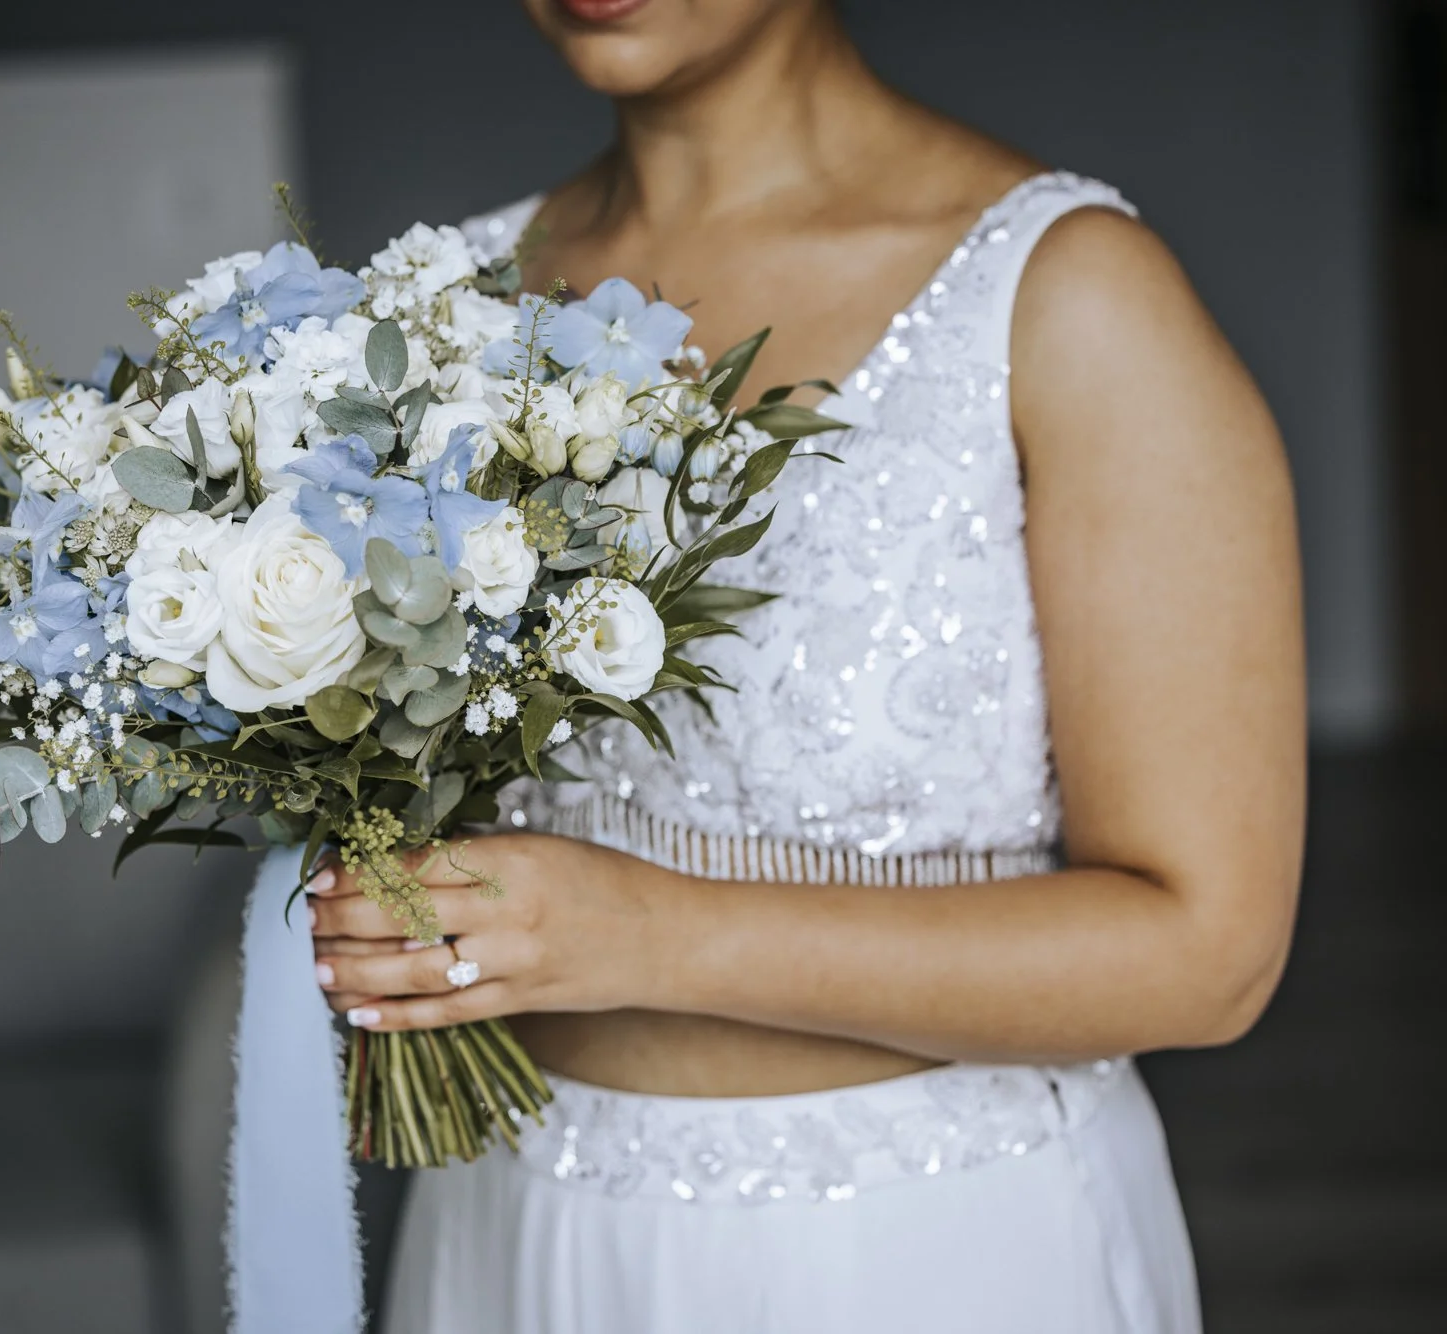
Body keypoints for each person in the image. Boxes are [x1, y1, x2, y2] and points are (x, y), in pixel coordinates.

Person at [306, 0, 1305, 1328]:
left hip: (927, 1250)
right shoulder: (440, 312)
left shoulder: (1069, 297)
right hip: (509, 1234)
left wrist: (647, 931)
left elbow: (1209, 952)